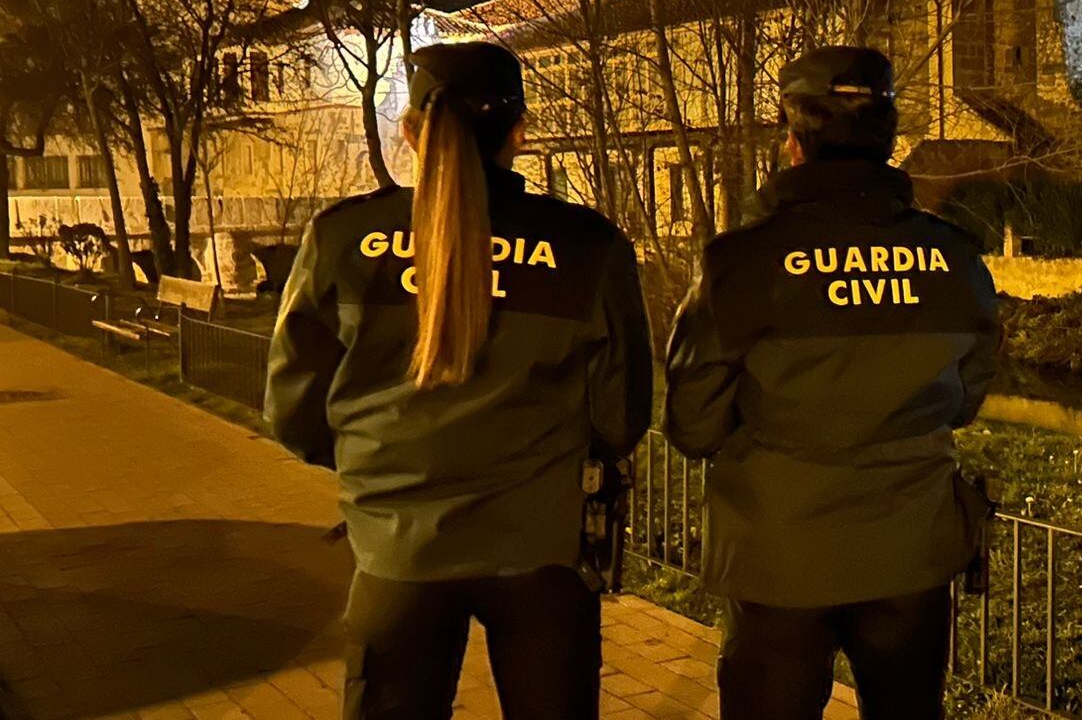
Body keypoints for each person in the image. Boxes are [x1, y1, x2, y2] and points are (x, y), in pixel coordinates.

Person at [264, 41, 653, 720]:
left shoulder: (341, 239)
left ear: (411, 132)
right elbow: (621, 416)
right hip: (542, 559)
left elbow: (292, 410)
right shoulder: (588, 246)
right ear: (519, 131)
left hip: (397, 550)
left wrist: (377, 469)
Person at [665, 45, 1000, 720]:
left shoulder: (741, 262)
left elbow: (693, 426)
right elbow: (963, 400)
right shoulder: (955, 257)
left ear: (794, 144)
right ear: (889, 140)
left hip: (778, 557)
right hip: (911, 555)